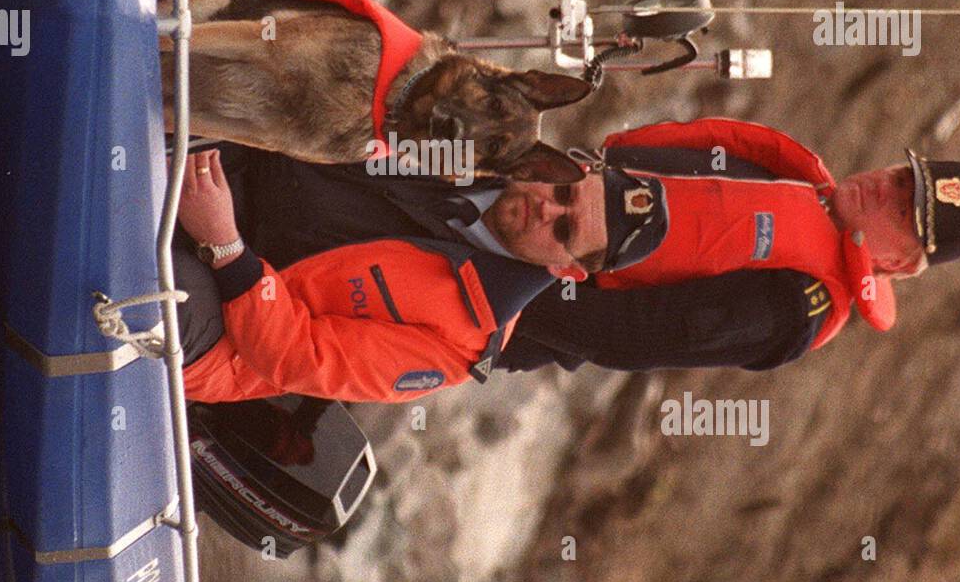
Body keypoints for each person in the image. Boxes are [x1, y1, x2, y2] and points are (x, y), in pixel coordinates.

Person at [172, 142, 667, 403]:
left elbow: (298, 357)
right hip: (230, 181)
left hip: (225, 325)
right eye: (562, 193)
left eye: (564, 232)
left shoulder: (461, 345)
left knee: (153, 283)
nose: (545, 210)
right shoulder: (471, 142)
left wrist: (226, 247)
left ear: (568, 271)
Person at [498, 117, 960, 374]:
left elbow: (633, 336)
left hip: (516, 292)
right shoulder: (796, 181)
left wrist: (512, 290)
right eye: (901, 179)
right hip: (530, 200)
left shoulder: (798, 305)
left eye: (902, 211)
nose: (885, 190)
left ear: (897, 262)